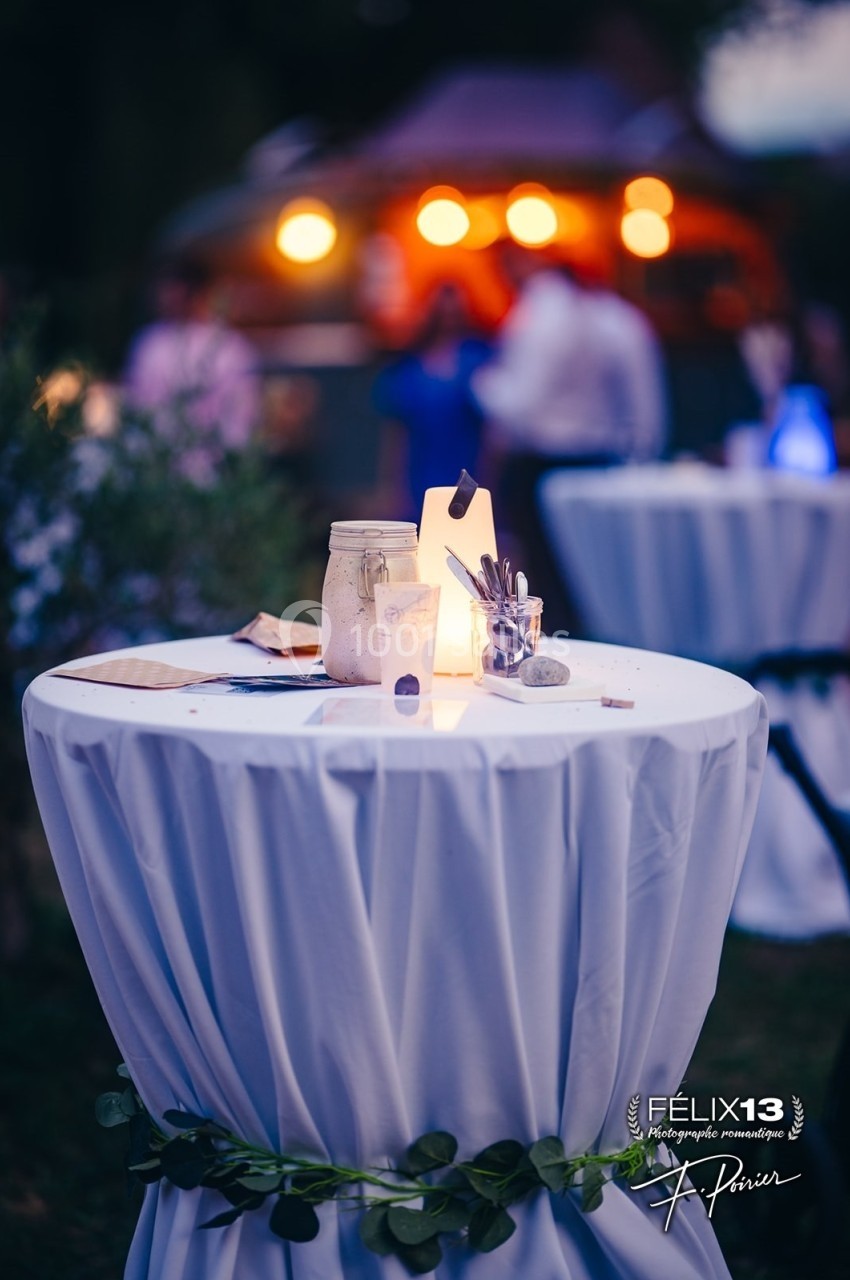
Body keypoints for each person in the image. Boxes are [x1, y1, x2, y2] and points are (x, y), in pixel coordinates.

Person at [473, 245, 667, 629]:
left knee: (551, 579)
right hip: (599, 460)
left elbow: (520, 403)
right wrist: (642, 455)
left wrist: (481, 385)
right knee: (594, 574)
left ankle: (560, 646)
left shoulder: (540, 313)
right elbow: (644, 404)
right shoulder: (616, 317)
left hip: (544, 463)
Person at [124, 257, 261, 484]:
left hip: (208, 474)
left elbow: (241, 420)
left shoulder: (231, 348)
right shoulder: (149, 344)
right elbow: (138, 410)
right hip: (159, 472)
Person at [373, 282, 493, 521]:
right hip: (419, 471)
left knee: (464, 535)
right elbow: (396, 435)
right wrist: (390, 488)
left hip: (469, 471)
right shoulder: (409, 368)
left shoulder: (479, 359)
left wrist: (493, 484)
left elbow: (494, 434)